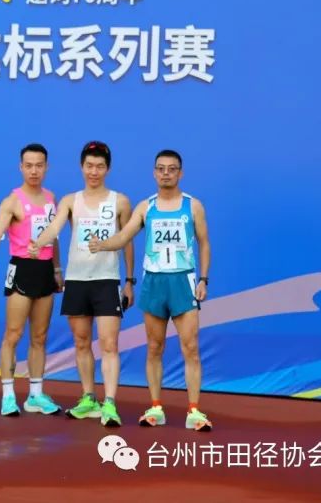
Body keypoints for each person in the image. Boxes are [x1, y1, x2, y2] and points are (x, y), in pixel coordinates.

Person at [89, 149, 212, 431]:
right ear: (154, 173)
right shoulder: (146, 207)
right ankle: (156, 407)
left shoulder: (193, 206)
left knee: (191, 347)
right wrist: (103, 244)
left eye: (172, 169)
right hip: (154, 283)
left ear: (180, 173)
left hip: (182, 282)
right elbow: (124, 236)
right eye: (161, 168)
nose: (166, 173)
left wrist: (204, 279)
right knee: (154, 347)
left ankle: (194, 411)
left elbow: (204, 243)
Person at [30, 141, 133, 427]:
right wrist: (39, 243)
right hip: (77, 281)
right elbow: (54, 228)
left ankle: (109, 403)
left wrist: (129, 281)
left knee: (109, 344)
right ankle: (89, 398)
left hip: (107, 280)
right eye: (89, 166)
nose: (94, 172)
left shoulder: (120, 202)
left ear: (108, 169)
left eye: (99, 166)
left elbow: (127, 241)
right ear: (81, 167)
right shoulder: (70, 201)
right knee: (81, 342)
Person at [0, 143, 64, 417]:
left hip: (45, 271)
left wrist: (57, 269)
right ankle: (8, 396)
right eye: (29, 165)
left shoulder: (51, 198)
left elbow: (53, 237)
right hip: (22, 269)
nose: (34, 171)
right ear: (21, 167)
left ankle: (36, 395)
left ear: (46, 167)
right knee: (13, 334)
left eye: (39, 165)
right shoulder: (12, 201)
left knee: (40, 337)